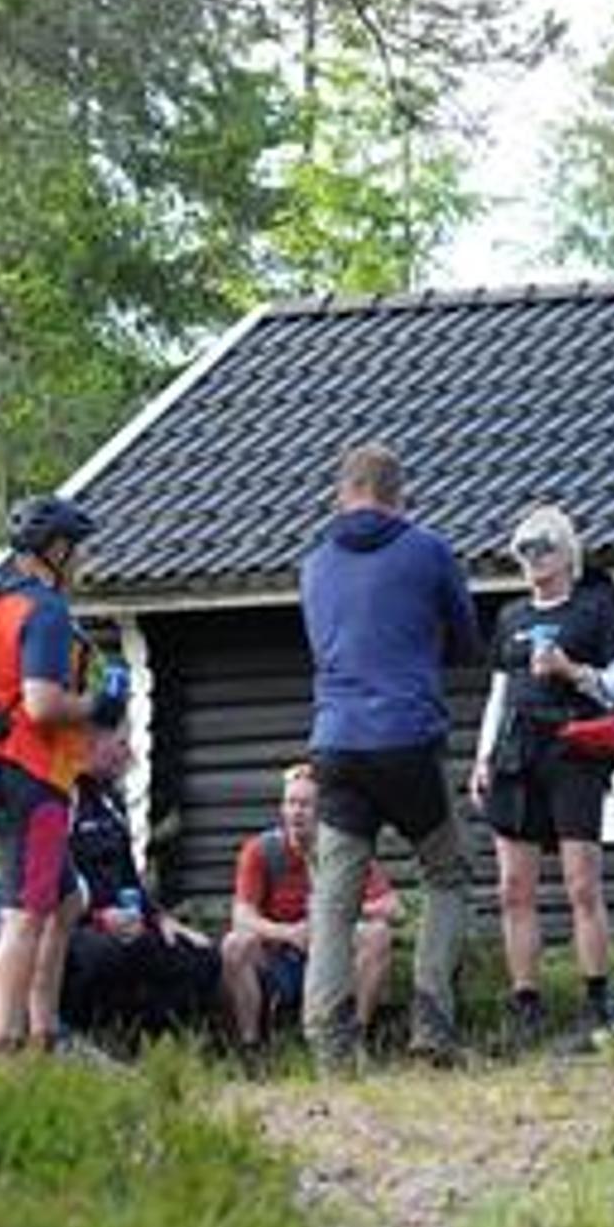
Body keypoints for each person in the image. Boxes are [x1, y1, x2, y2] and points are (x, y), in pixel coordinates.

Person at [296, 443, 480, 1067]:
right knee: (447, 870)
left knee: (333, 900)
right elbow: (466, 639)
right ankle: (432, 1024)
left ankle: (329, 1044)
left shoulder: (315, 563)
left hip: (336, 742)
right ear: (401, 494)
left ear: (342, 492)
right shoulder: (427, 551)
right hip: (405, 736)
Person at [467, 503, 614, 1047]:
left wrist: (573, 671)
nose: (533, 561)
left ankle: (597, 999)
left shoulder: (596, 610)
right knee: (513, 888)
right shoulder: (511, 618)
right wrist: (483, 756)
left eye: (543, 549)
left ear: (568, 553)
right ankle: (526, 1004)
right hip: (516, 756)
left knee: (581, 884)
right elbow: (499, 692)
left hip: (573, 754)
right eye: (523, 551)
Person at [0, 492, 102, 1055]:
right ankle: (7, 1045)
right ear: (54, 550)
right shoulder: (46, 611)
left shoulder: (4, 604)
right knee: (25, 914)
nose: (79, 561)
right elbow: (42, 705)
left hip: (9, 773)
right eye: (75, 550)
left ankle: (43, 1031)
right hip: (32, 777)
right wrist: (98, 705)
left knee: (65, 900)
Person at [60, 702, 219, 1046]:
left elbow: (130, 877)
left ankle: (163, 1051)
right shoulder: (61, 798)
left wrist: (162, 919)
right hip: (74, 926)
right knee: (104, 956)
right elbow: (52, 881)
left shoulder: (110, 802)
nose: (127, 753)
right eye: (120, 744)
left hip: (129, 920)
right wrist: (97, 917)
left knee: (200, 956)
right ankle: (93, 1043)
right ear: (92, 741)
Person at [216, 764, 396, 1051]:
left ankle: (355, 1037)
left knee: (377, 936)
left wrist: (338, 912)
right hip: (278, 958)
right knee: (234, 944)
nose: (297, 812)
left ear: (323, 811)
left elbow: (390, 906)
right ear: (282, 809)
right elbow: (242, 915)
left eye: (306, 804)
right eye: (291, 803)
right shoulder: (261, 851)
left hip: (332, 953)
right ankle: (251, 1048)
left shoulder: (343, 850)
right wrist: (287, 933)